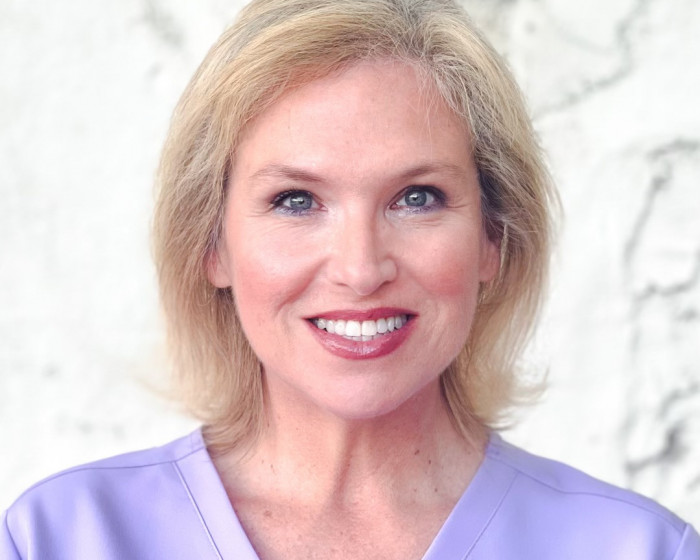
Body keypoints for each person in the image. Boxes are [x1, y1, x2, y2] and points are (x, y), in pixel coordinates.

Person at [3, 0, 698, 558]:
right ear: (212, 244)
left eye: (417, 198)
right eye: (296, 201)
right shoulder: (58, 539)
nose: (361, 270)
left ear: (494, 237)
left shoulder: (639, 550)